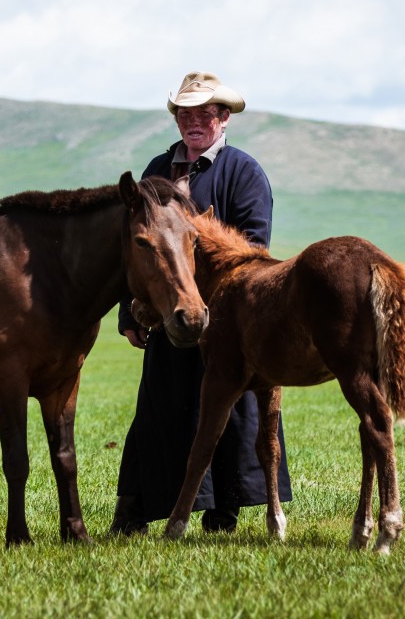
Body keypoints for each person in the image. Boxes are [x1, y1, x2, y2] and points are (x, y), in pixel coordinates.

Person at [110, 71, 293, 535]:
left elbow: (254, 247)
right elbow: (136, 247)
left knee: (228, 416)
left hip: (226, 321)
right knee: (157, 412)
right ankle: (133, 514)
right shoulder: (156, 170)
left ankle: (222, 513)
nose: (194, 122)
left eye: (204, 114)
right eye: (185, 114)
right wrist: (128, 310)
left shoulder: (243, 171)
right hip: (166, 318)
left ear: (223, 118)